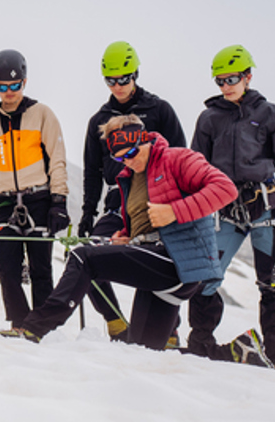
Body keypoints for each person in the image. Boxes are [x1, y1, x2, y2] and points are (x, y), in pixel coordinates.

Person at [17, 115, 239, 352]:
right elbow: (145, 223)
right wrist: (126, 235)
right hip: (159, 267)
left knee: (84, 257)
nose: (127, 161)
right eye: (119, 157)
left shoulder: (178, 158)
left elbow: (226, 189)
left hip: (178, 262)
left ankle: (34, 329)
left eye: (131, 154)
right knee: (141, 352)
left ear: (144, 140)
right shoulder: (129, 178)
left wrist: (174, 211)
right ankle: (239, 353)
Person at [185, 45, 275, 370]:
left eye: (232, 78)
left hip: (266, 210)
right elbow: (196, 169)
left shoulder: (274, 115)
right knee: (206, 277)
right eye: (220, 81)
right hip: (226, 212)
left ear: (248, 76)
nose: (226, 86)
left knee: (271, 281)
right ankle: (200, 345)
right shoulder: (209, 119)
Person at [79, 41, 187, 341]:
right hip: (118, 203)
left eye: (123, 79)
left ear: (135, 74)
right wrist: (88, 213)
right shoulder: (98, 121)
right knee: (84, 253)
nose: (118, 86)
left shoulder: (160, 110)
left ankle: (169, 330)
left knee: (161, 259)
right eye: (111, 81)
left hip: (158, 202)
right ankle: (115, 321)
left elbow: (181, 156)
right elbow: (92, 172)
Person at [0, 50, 70, 329]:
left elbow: (57, 160)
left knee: (41, 268)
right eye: (2, 86)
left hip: (39, 197)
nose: (9, 92)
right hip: (3, 203)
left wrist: (59, 202)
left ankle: (43, 327)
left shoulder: (42, 114)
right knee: (7, 267)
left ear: (24, 82)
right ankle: (20, 323)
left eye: (14, 85)